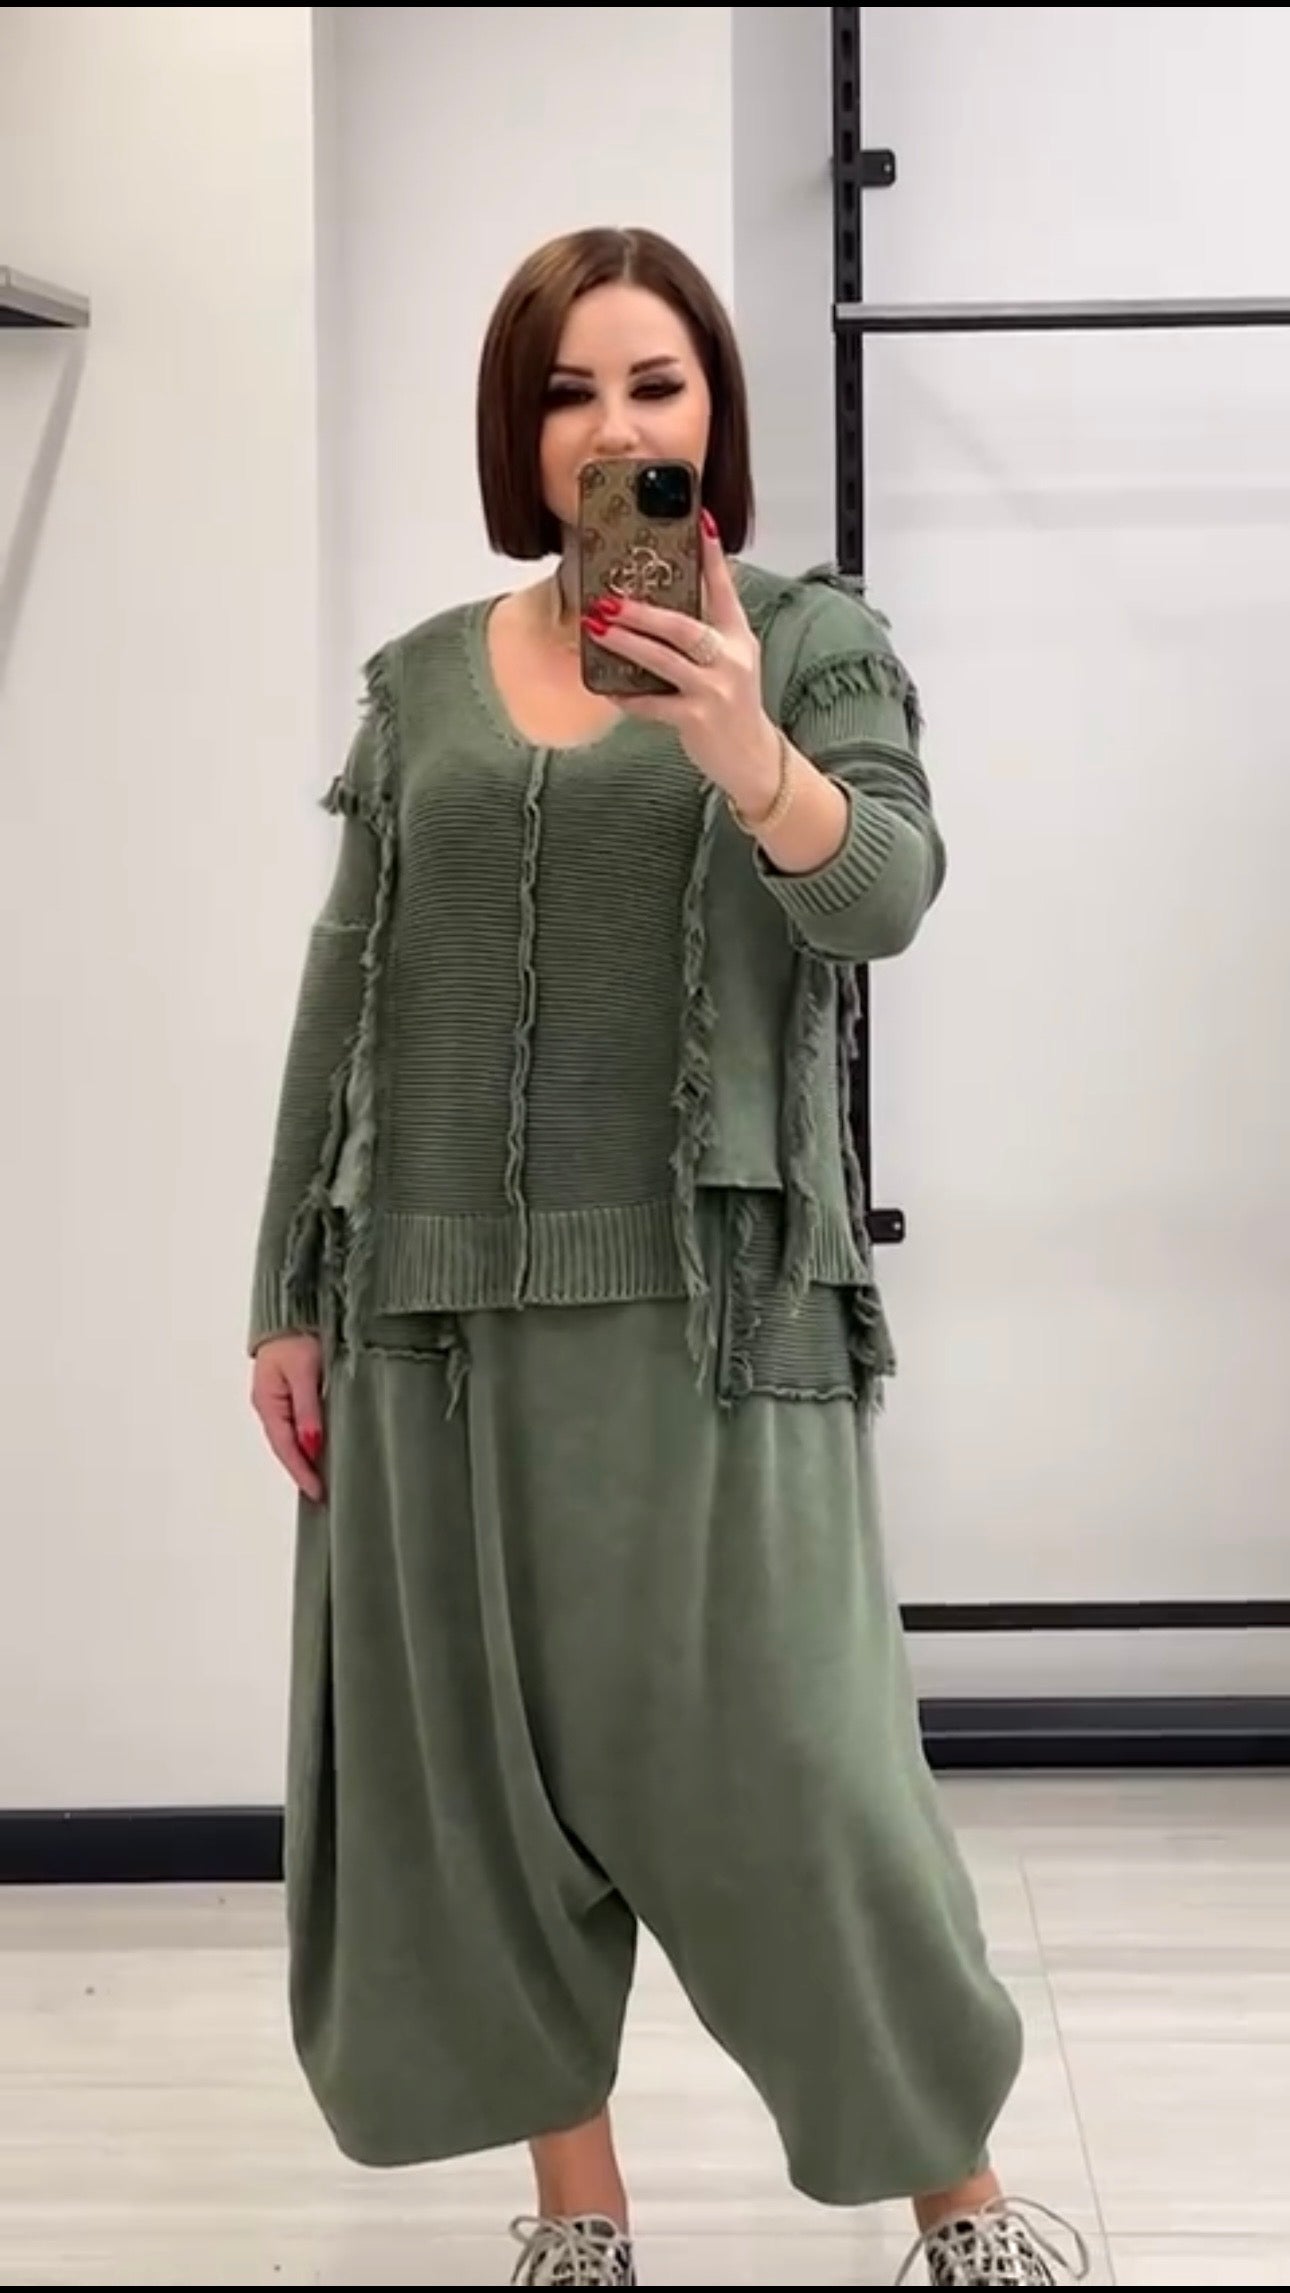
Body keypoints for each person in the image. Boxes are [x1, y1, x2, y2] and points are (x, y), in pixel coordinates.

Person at [247, 226, 1088, 2290]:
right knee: (484, 1792)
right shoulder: (421, 682)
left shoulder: (805, 643)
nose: (610, 425)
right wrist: (282, 1290)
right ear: (519, 433)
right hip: (426, 1312)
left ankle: (962, 2208)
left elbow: (883, 895)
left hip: (719, 1312)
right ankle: (579, 2217)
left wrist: (748, 755)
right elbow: (347, 983)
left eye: (653, 383)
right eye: (566, 392)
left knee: (798, 1777)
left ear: (712, 412)